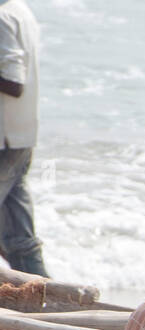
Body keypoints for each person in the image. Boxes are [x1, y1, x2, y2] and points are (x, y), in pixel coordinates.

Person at [0, 0, 46, 276]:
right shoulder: (20, 10)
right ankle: (42, 293)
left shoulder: (2, 17)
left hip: (3, 139)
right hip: (21, 134)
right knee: (20, 236)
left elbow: (14, 83)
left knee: (17, 234)